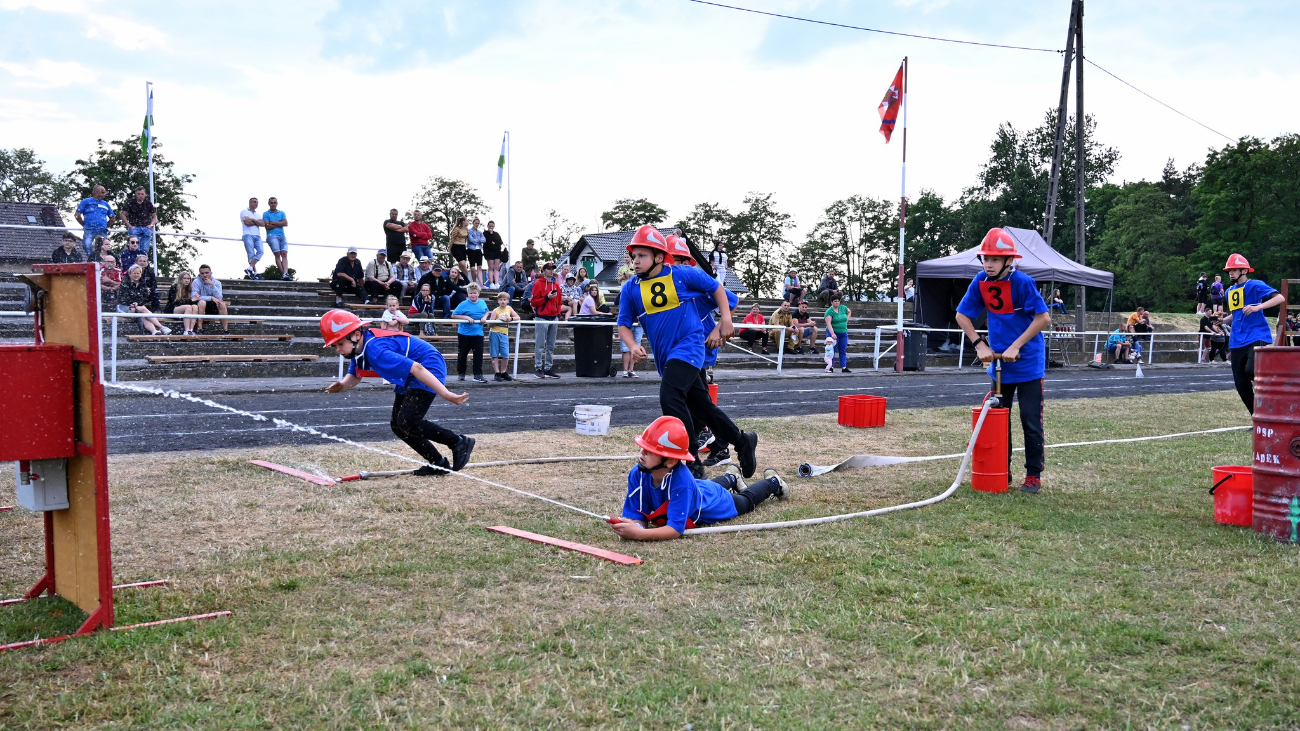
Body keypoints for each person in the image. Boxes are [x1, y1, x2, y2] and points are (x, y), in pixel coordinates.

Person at [618, 225, 757, 477]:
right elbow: (623, 325)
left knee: (669, 396)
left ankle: (691, 462)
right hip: (666, 356)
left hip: (690, 347)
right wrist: (632, 345)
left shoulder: (682, 274)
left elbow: (718, 289)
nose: (635, 261)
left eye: (641, 256)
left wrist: (725, 320)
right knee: (702, 407)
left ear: (659, 257)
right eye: (633, 256)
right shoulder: (630, 288)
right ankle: (742, 441)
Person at [955, 229, 1052, 494]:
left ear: (1009, 261)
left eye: (996, 259)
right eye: (986, 258)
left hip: (1027, 361)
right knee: (998, 420)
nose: (989, 263)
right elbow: (962, 316)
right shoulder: (980, 281)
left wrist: (1016, 345)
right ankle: (1002, 469)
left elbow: (1043, 318)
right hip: (999, 365)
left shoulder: (1022, 282)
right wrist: (979, 343)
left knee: (1030, 420)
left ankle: (1033, 474)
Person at [320, 309, 474, 475]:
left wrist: (446, 394)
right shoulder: (358, 351)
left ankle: (458, 442)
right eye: (334, 345)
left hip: (427, 365)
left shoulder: (375, 350)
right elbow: (355, 375)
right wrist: (342, 385)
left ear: (356, 335)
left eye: (340, 343)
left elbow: (417, 368)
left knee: (407, 420)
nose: (337, 349)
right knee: (398, 425)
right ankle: (438, 463)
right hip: (410, 372)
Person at [608, 417, 789, 541]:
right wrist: (634, 527)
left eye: (650, 450)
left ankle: (774, 482)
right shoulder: (637, 473)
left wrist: (638, 535)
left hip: (714, 501)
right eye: (643, 447)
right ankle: (731, 477)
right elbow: (637, 516)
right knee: (704, 487)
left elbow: (674, 530)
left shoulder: (681, 481)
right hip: (698, 488)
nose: (642, 452)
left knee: (745, 502)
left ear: (670, 460)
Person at [1220, 253, 1285, 414]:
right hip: (1236, 340)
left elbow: (1280, 298)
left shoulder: (1255, 285)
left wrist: (1258, 307)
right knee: (1241, 384)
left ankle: (1273, 387)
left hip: (1256, 335)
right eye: (1229, 270)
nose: (1231, 273)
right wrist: (1222, 321)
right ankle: (1258, 417)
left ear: (1244, 270)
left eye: (1234, 270)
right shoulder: (1229, 291)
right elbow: (1236, 315)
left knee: (1251, 370)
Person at [451, 283, 489, 383]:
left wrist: (484, 317)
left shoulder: (482, 303)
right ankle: (461, 373)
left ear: (478, 294)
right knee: (463, 354)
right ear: (468, 294)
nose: (473, 295)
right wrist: (466, 317)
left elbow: (487, 311)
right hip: (465, 334)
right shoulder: (463, 304)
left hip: (478, 334)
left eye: (475, 293)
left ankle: (478, 375)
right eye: (471, 293)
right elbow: (454, 315)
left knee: (478, 355)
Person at [531, 262, 563, 378]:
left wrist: (558, 313)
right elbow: (533, 302)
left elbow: (559, 302)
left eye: (552, 269)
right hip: (541, 317)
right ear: (544, 271)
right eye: (548, 269)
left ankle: (548, 368)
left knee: (551, 345)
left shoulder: (557, 285)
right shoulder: (538, 284)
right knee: (540, 345)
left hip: (553, 317)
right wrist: (546, 298)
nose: (551, 271)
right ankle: (538, 367)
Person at [118, 265, 170, 335]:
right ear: (130, 274)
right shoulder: (124, 284)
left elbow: (144, 298)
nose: (136, 275)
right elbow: (122, 298)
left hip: (137, 308)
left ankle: (154, 331)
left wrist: (137, 303)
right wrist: (132, 303)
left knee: (142, 315)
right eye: (134, 273)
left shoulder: (143, 285)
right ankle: (161, 327)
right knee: (143, 309)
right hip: (124, 307)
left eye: (138, 273)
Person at [75, 185, 115, 258]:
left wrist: (106, 226)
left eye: (104, 192)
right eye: (102, 192)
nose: (104, 193)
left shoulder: (106, 204)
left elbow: (112, 218)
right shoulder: (86, 201)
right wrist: (84, 224)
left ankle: (103, 259)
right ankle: (92, 259)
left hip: (102, 230)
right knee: (87, 245)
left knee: (105, 247)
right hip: (89, 229)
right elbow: (77, 215)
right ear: (95, 192)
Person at [488, 291, 519, 381]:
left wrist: (510, 318)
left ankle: (503, 371)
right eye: (501, 300)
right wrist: (498, 320)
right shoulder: (495, 310)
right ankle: (497, 372)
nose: (502, 301)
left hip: (504, 333)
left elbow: (517, 317)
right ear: (498, 301)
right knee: (495, 354)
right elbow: (490, 324)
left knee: (506, 354)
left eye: (504, 300)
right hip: (495, 333)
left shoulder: (509, 308)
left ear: (507, 301)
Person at [191, 264, 229, 333]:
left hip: (213, 305)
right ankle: (199, 328)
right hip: (200, 305)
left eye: (207, 273)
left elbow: (219, 297)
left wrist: (212, 285)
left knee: (222, 304)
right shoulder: (196, 282)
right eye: (202, 273)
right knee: (202, 302)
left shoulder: (217, 283)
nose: (205, 275)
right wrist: (210, 297)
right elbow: (194, 297)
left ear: (211, 273)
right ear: (199, 274)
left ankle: (225, 330)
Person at [164, 270, 203, 335]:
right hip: (172, 308)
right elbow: (175, 302)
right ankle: (186, 330)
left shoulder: (190, 288)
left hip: (185, 309)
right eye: (184, 278)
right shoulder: (174, 287)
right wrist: (191, 300)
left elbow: (192, 302)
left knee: (195, 307)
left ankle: (191, 330)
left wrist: (196, 299)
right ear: (180, 279)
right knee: (188, 307)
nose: (187, 280)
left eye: (188, 278)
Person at [121, 186, 157, 254]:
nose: (140, 196)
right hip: (134, 226)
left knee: (144, 248)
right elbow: (122, 214)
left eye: (142, 194)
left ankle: (144, 256)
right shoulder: (130, 202)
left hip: (146, 227)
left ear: (145, 194)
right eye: (139, 194)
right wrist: (129, 225)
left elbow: (154, 217)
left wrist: (151, 225)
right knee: (134, 245)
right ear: (135, 194)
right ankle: (135, 257)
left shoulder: (148, 203)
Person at [262, 197, 290, 279]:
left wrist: (273, 223)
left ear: (277, 203)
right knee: (277, 254)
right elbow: (267, 226)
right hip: (272, 236)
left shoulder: (282, 213)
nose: (273, 204)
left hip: (282, 235)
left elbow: (285, 223)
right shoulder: (266, 214)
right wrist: (279, 223)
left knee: (284, 253)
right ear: (269, 204)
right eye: (271, 203)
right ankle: (283, 273)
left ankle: (286, 273)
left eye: (274, 202)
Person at [823, 294, 852, 372]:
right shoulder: (829, 311)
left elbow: (849, 312)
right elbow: (828, 323)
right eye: (835, 301)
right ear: (831, 302)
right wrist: (832, 333)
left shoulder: (843, 308)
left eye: (838, 301)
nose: (837, 303)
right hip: (834, 332)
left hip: (843, 332)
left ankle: (844, 367)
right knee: (832, 350)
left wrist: (847, 320)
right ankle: (830, 366)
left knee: (843, 349)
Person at [239, 197, 266, 279]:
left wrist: (253, 220)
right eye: (254, 202)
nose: (256, 203)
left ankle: (250, 269)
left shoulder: (258, 215)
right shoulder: (244, 211)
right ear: (250, 203)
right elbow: (247, 222)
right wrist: (257, 222)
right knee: (251, 254)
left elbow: (262, 224)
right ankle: (255, 273)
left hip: (257, 235)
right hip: (248, 234)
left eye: (257, 202)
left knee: (261, 251)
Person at [483, 220, 505, 288]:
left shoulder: (496, 234)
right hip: (489, 252)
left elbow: (500, 242)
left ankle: (497, 282)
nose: (491, 227)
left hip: (497, 252)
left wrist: (494, 242)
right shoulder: (485, 233)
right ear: (488, 226)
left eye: (492, 226)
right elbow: (486, 241)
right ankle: (491, 283)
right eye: (490, 226)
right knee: (491, 267)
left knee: (496, 267)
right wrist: (492, 240)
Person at [467, 217, 486, 286]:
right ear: (473, 223)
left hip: (479, 250)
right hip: (471, 250)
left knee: (479, 267)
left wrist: (478, 240)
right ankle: (474, 282)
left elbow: (484, 240)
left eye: (478, 223)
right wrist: (479, 240)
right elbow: (471, 240)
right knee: (472, 268)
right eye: (476, 223)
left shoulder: (480, 232)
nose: (477, 224)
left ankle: (481, 284)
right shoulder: (469, 231)